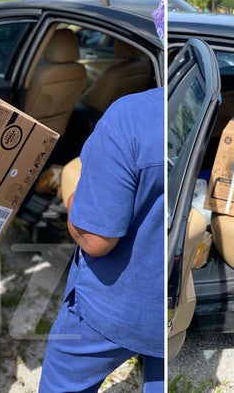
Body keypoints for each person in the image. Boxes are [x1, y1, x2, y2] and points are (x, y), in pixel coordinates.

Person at [39, 87, 165, 393]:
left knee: (64, 381)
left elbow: (95, 238)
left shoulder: (129, 115)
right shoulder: (194, 107)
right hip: (166, 308)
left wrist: (72, 198)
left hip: (115, 305)